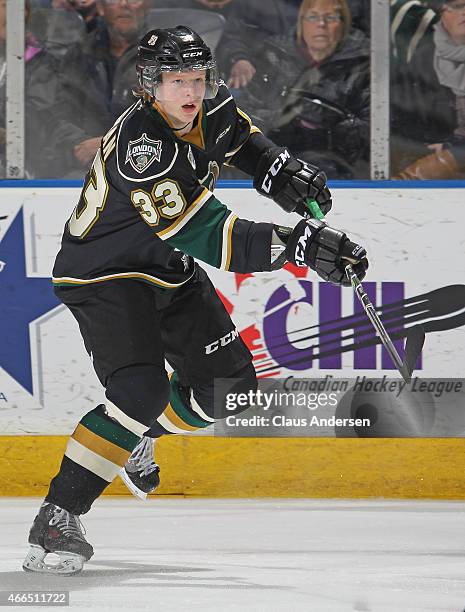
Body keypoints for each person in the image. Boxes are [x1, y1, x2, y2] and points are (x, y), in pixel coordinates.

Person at [22, 26, 368, 575]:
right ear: (150, 86)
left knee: (225, 386)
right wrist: (299, 245)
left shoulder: (210, 107)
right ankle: (58, 515)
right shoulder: (144, 150)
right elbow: (209, 236)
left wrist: (282, 174)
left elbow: (247, 143)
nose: (191, 90)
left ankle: (137, 434)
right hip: (105, 275)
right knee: (139, 390)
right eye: (176, 80)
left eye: (198, 78)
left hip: (166, 267)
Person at [237, 0, 371, 179]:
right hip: (273, 156)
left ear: (343, 23)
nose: (321, 24)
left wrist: (328, 128)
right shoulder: (273, 55)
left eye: (330, 17)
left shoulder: (363, 64)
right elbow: (248, 114)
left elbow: (371, 130)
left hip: (334, 165)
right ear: (302, 22)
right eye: (313, 16)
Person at [48, 0, 151, 178]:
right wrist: (79, 144)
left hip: (147, 166)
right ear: (101, 8)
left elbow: (179, 122)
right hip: (85, 168)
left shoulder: (166, 56)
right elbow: (59, 114)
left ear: (147, 5)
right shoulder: (80, 54)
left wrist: (112, 145)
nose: (124, 4)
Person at [393, 0, 465, 178]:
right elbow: (408, 117)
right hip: (436, 163)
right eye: (458, 6)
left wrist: (452, 149)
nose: (464, 13)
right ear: (442, 14)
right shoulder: (424, 56)